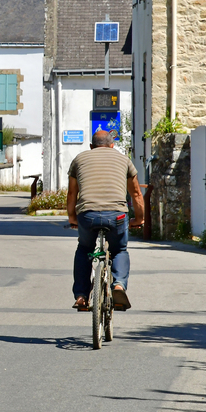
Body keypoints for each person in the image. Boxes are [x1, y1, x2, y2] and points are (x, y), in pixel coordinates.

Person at [67, 129, 144, 311]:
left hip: (87, 214)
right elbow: (136, 194)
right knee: (119, 250)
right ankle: (118, 285)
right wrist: (139, 219)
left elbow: (72, 193)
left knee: (85, 250)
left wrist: (72, 219)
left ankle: (81, 296)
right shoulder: (124, 160)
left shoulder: (79, 159)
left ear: (92, 147)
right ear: (112, 145)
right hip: (116, 215)